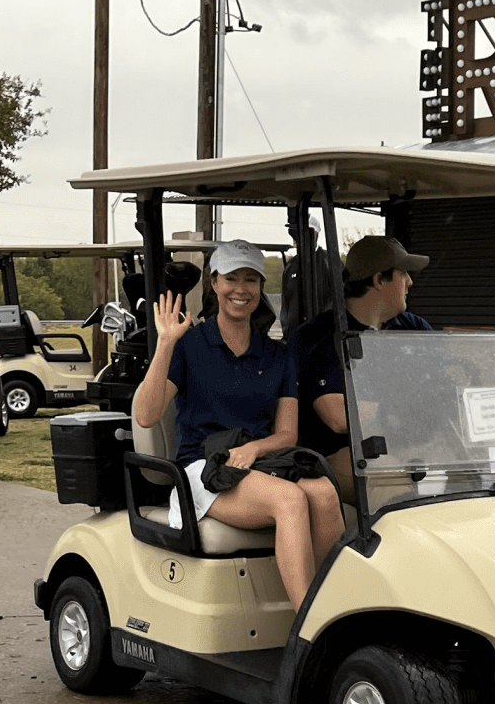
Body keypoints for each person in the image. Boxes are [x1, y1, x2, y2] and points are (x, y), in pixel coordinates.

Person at [133, 238, 343, 606]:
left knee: (324, 493)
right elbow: (147, 415)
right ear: (214, 283)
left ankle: (338, 607)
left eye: (251, 280)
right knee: (291, 500)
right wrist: (165, 343)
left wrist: (253, 448)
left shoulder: (277, 354)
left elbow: (287, 434)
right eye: (232, 278)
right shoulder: (189, 345)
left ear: (261, 289)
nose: (241, 289)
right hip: (203, 469)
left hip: (257, 464)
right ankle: (311, 631)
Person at [296, 233, 437, 481]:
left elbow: (444, 383)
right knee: (394, 481)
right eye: (404, 273)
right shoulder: (318, 336)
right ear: (379, 279)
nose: (410, 282)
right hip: (343, 456)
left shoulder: (413, 327)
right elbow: (338, 417)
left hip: (410, 447)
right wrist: (402, 414)